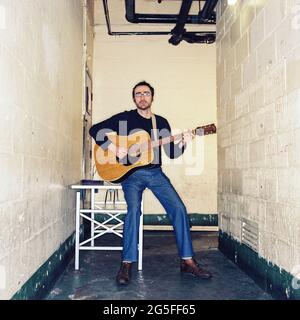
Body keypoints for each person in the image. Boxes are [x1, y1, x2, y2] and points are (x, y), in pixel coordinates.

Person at [89, 81, 212, 285]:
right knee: (133, 211)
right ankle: (126, 263)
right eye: (138, 94)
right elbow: (95, 130)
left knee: (179, 209)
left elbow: (171, 153)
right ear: (134, 98)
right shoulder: (125, 117)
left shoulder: (160, 122)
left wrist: (184, 141)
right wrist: (114, 149)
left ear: (152, 97)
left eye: (146, 93)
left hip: (155, 173)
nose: (142, 97)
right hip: (130, 176)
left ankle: (187, 261)